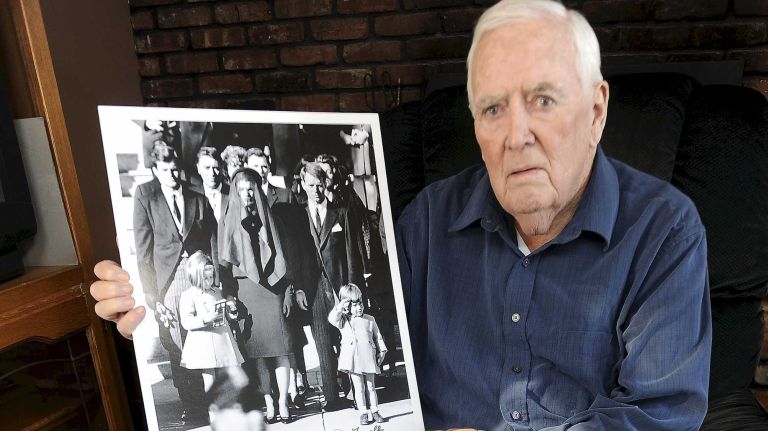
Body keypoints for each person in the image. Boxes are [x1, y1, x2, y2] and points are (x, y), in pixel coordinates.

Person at [92, 1, 712, 429]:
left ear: (597, 110)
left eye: (543, 100)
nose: (516, 134)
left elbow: (658, 416)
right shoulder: (427, 221)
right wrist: (144, 314)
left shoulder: (664, 231)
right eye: (493, 109)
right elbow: (364, 318)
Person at [133, 140, 218, 425]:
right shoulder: (146, 196)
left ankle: (213, 402)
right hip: (167, 283)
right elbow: (143, 253)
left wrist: (215, 277)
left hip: (197, 278)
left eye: (174, 170)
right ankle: (193, 408)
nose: (171, 175)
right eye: (164, 170)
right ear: (155, 169)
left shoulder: (197, 197)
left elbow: (211, 240)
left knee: (204, 339)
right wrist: (152, 297)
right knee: (178, 345)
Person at [219, 168, 297, 424]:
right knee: (259, 354)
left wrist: (287, 291)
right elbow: (224, 266)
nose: (246, 195)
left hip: (273, 289)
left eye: (250, 189)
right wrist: (230, 297)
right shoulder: (227, 220)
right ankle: (269, 403)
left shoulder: (271, 217)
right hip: (246, 292)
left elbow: (287, 258)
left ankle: (284, 402)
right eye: (241, 190)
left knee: (281, 350)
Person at [178, 251, 243, 393]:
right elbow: (186, 321)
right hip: (203, 341)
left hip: (222, 338)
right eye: (205, 278)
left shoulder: (217, 292)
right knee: (209, 378)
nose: (209, 281)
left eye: (211, 277)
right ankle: (214, 413)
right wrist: (204, 319)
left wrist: (231, 311)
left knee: (229, 375)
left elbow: (227, 316)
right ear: (195, 277)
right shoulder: (188, 295)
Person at [328, 283, 387, 426]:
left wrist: (382, 350)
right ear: (347, 307)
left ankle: (375, 410)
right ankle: (363, 412)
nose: (359, 307)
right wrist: (340, 306)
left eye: (360, 303)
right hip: (353, 360)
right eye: (354, 305)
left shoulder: (370, 319)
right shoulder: (344, 321)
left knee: (371, 386)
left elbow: (378, 336)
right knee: (358, 387)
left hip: (368, 357)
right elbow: (332, 319)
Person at [195, 146, 227, 223]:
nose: (212, 173)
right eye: (207, 168)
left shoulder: (233, 193)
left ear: (222, 168)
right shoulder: (191, 195)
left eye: (216, 168)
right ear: (198, 168)